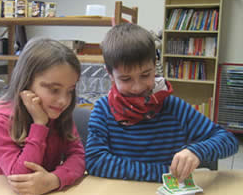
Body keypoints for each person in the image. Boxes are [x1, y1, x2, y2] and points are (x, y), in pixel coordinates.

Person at [85, 24, 240, 182]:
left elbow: (228, 140)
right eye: (126, 79)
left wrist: (197, 151)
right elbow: (95, 161)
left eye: (146, 75)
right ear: (110, 74)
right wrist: (164, 172)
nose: (137, 87)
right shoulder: (103, 109)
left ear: (155, 65)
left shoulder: (173, 107)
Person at [0, 39, 88, 195]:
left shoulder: (60, 113)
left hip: (48, 194)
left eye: (70, 90)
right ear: (27, 83)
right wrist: (40, 124)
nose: (64, 100)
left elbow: (79, 156)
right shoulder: (1, 119)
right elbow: (21, 176)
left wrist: (53, 180)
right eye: (54, 90)